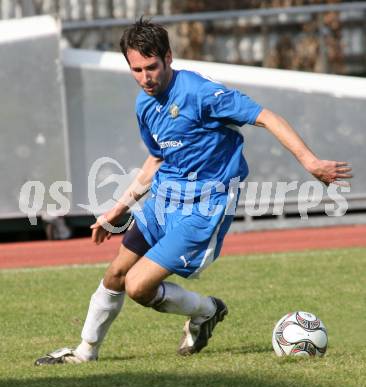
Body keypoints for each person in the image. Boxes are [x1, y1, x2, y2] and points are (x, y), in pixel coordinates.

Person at [35, 18, 352, 365]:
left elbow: (266, 116)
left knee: (138, 286)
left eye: (151, 67)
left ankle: (206, 310)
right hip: (163, 200)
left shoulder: (201, 93)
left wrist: (310, 162)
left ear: (169, 57)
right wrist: (117, 210)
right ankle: (85, 353)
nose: (145, 78)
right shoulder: (145, 105)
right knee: (115, 274)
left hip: (203, 209)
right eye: (136, 70)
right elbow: (157, 159)